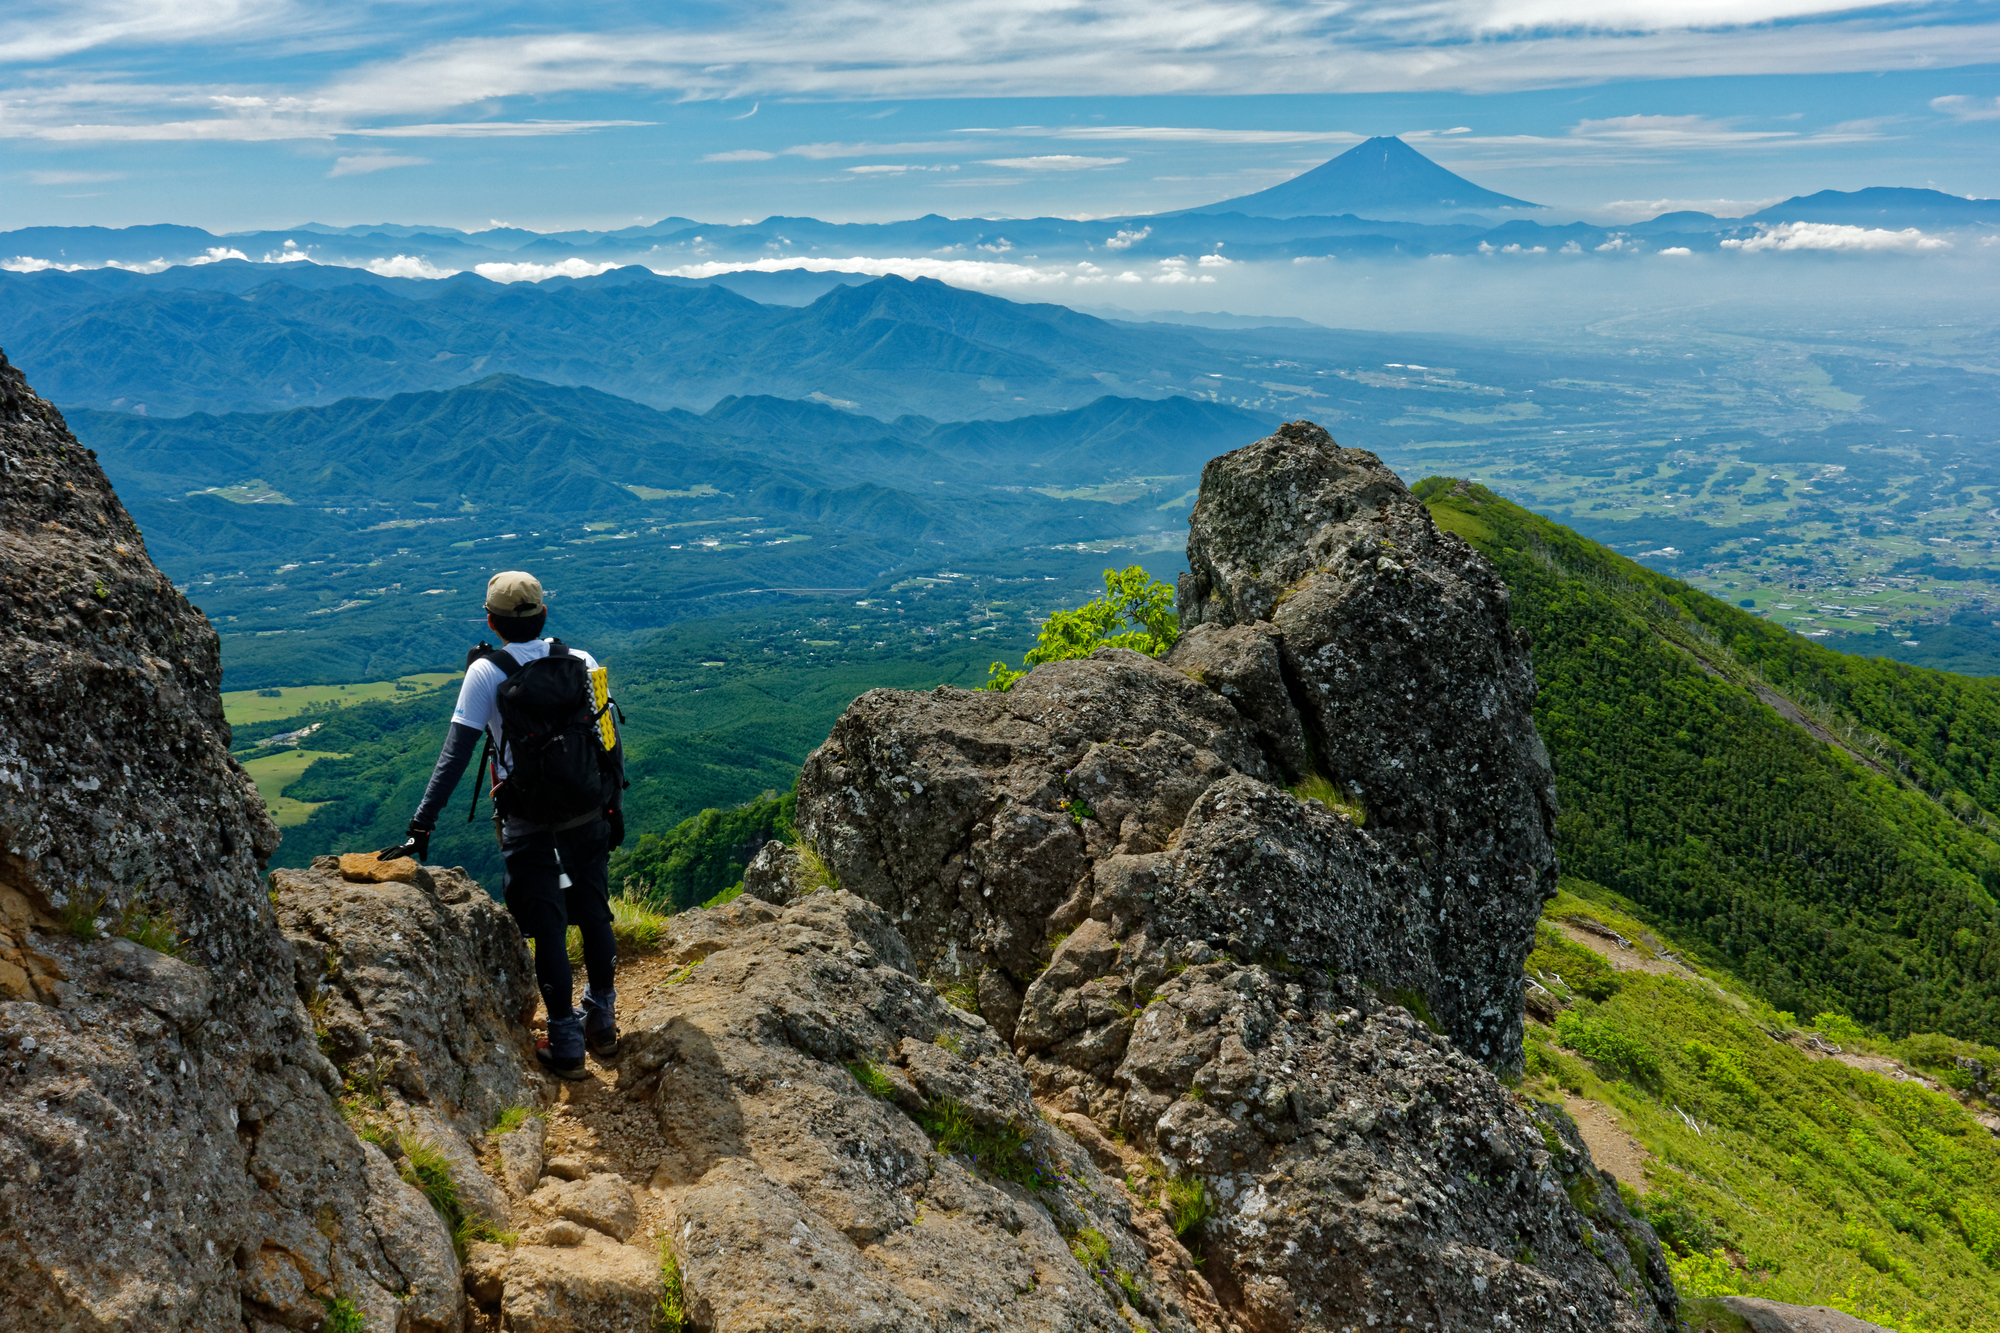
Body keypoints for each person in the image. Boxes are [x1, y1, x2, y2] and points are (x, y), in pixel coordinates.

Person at [379, 571, 624, 1080]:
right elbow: (607, 740)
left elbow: (455, 755)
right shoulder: (583, 662)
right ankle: (603, 1022)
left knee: (550, 928)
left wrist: (421, 826)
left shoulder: (486, 673)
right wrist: (612, 806)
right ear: (544, 614)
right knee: (595, 912)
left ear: (490, 620)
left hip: (529, 821)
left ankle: (566, 1045)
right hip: (587, 812)